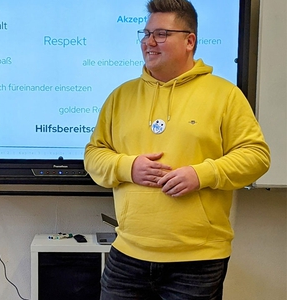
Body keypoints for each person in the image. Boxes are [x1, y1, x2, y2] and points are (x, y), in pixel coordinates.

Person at [84, 0, 270, 299]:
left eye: (160, 34)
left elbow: (256, 156)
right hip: (127, 253)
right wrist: (127, 167)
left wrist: (202, 174)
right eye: (145, 34)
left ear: (189, 40)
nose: (148, 42)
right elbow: (94, 154)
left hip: (197, 260)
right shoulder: (120, 96)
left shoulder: (225, 95)